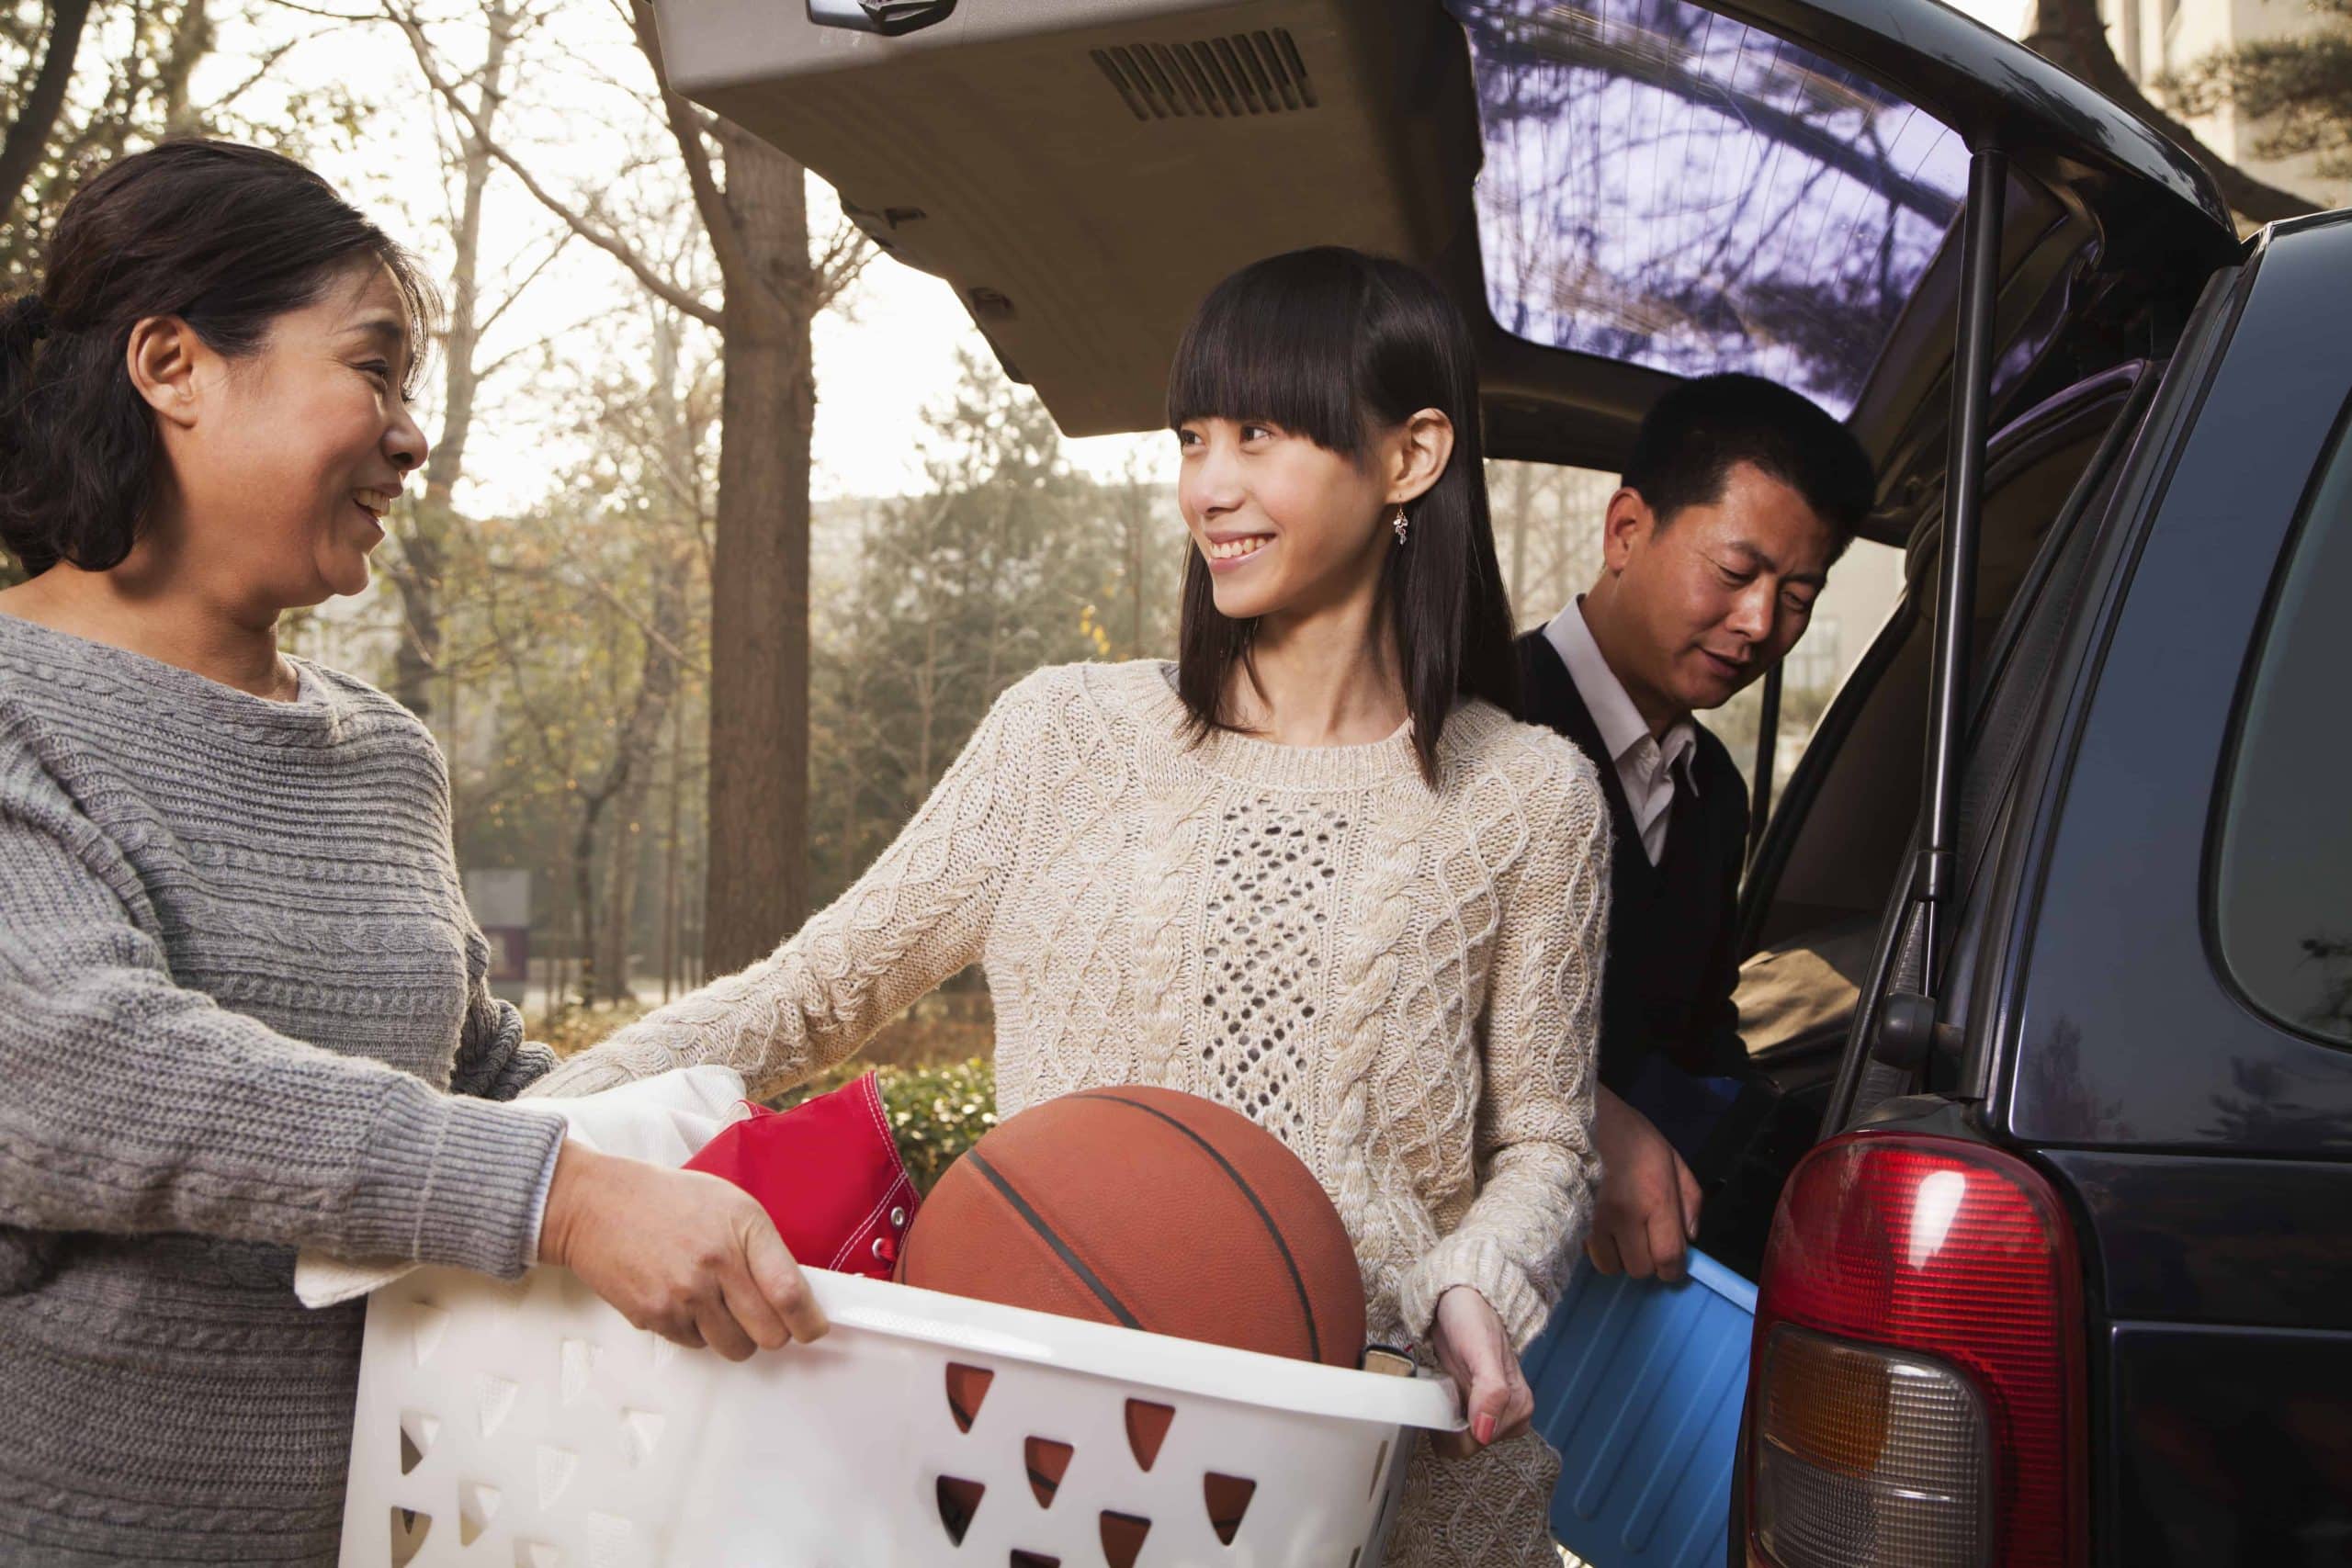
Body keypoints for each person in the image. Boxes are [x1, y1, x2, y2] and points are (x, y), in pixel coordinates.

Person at [527, 246, 1610, 1565]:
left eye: (1260, 435)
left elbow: (1549, 1141)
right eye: (1193, 437)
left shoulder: (1531, 794)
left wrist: (1475, 1281)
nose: (1208, 486)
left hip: (1364, 1462)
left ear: (1412, 455)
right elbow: (808, 995)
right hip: (1045, 1460)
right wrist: (513, 1150)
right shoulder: (1065, 735)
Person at [0, 140, 824, 1567]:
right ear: (172, 364)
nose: (409, 430)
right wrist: (565, 1196)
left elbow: (463, 1063)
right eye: (374, 368)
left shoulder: (384, 754)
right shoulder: (19, 708)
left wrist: (712, 1145)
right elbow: (78, 1062)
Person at [1513, 373, 1873, 1283]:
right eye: (1735, 573)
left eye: (1797, 596)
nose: (1759, 624)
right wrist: (1580, 1115)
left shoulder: (1713, 788)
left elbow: (1695, 1037)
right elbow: (1382, 1001)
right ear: (1626, 531)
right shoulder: (1475, 720)